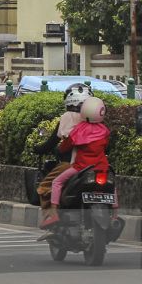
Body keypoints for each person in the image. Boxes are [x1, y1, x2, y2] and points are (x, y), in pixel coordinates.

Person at [43, 96, 111, 228]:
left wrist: (60, 150)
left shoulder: (79, 129)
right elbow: (107, 147)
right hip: (101, 167)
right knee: (111, 186)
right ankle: (114, 214)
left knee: (56, 182)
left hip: (81, 167)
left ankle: (54, 213)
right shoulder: (104, 130)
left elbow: (65, 147)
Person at [34, 83, 91, 226]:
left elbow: (54, 142)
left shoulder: (67, 117)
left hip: (71, 164)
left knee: (46, 185)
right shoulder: (95, 120)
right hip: (95, 164)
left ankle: (50, 215)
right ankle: (114, 215)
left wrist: (37, 148)